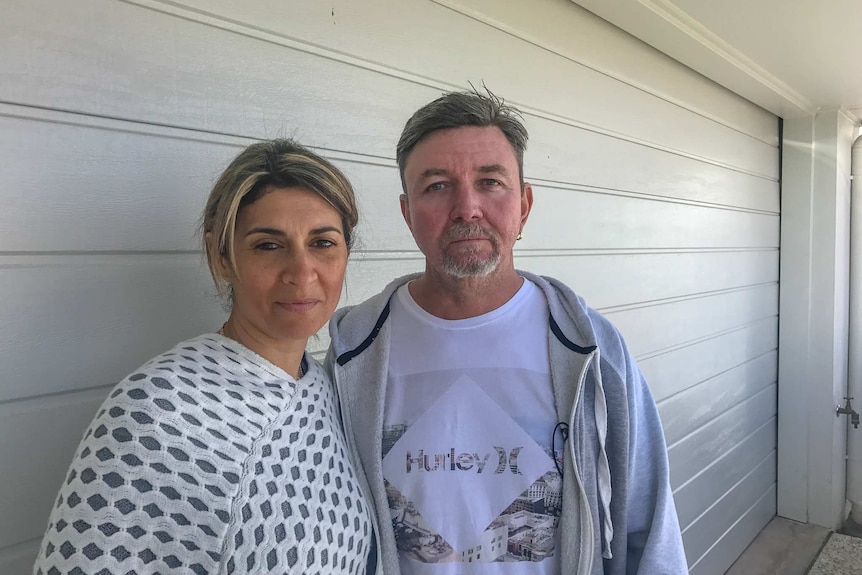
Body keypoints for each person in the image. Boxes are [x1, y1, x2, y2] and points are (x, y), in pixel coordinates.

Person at [326, 91, 687, 575]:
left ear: (525, 204)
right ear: (407, 212)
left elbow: (648, 528)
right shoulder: (355, 351)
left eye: (490, 181)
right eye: (436, 186)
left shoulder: (592, 352)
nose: (467, 208)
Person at [34, 139, 373, 575]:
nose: (302, 272)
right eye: (268, 245)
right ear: (222, 256)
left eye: (323, 243)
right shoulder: (155, 411)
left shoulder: (327, 390)